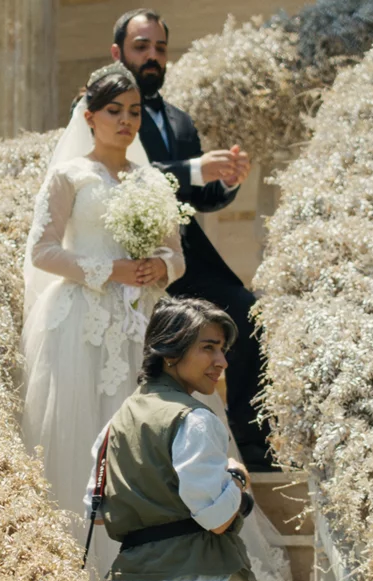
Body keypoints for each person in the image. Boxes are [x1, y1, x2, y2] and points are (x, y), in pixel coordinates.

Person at [20, 63, 184, 572]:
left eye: (134, 112)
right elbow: (42, 253)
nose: (126, 121)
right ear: (89, 116)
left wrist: (161, 266)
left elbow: (178, 257)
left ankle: (156, 550)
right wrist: (107, 269)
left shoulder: (154, 180)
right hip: (80, 323)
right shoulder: (69, 175)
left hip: (141, 321)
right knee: (82, 428)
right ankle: (77, 562)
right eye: (114, 111)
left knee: (145, 427)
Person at [110, 9, 274, 471]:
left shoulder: (179, 122)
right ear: (118, 52)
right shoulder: (104, 111)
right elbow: (124, 172)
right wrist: (195, 168)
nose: (152, 57)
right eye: (141, 47)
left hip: (186, 259)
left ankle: (253, 443)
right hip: (127, 257)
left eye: (159, 48)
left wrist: (225, 181)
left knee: (247, 310)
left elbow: (200, 196)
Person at [83, 297, 260, 581]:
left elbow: (96, 513)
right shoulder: (194, 419)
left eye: (222, 349)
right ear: (170, 353)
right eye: (209, 347)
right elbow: (217, 519)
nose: (222, 362)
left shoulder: (117, 422)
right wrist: (237, 477)